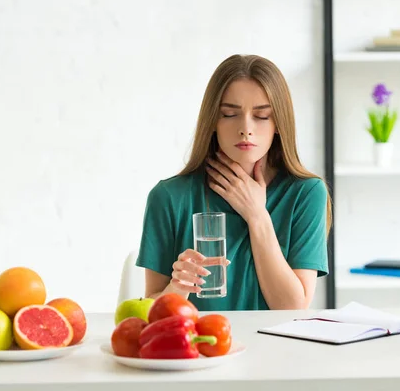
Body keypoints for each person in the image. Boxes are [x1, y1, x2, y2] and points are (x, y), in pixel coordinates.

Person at [136, 54, 332, 311]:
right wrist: (177, 288)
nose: (246, 128)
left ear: (279, 124)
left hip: (276, 350)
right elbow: (150, 309)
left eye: (262, 116)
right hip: (200, 349)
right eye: (229, 114)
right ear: (213, 122)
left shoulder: (305, 193)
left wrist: (256, 215)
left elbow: (293, 308)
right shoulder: (170, 197)